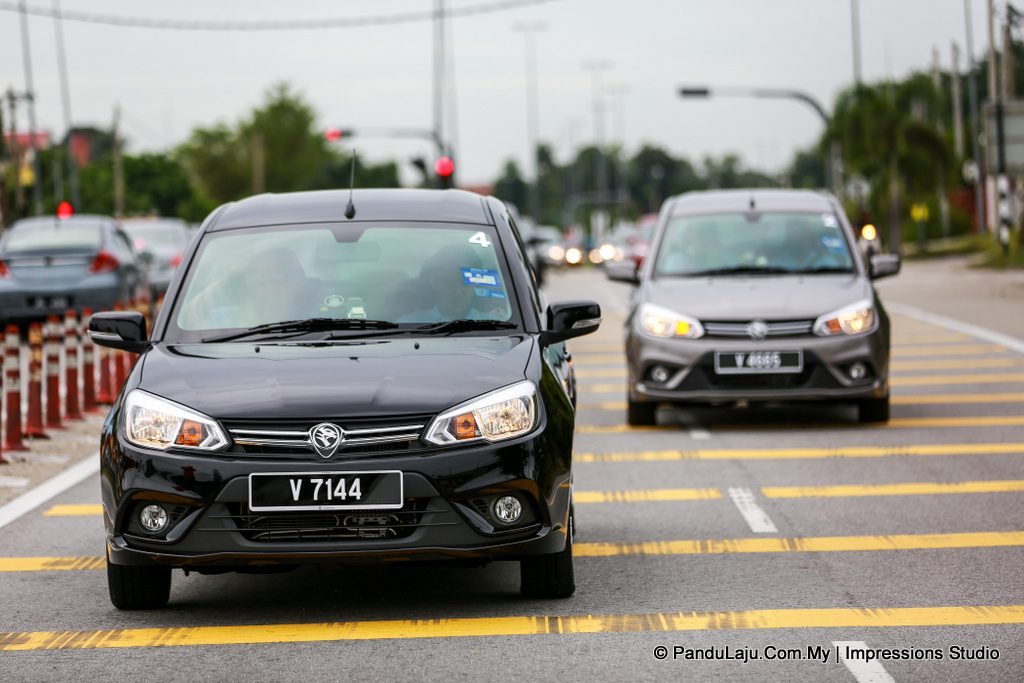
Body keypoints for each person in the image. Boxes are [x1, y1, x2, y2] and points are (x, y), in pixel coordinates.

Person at [398, 244, 509, 323]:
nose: (458, 292)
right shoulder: (409, 324)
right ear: (435, 283)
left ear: (475, 285)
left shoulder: (497, 324)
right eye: (450, 283)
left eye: (465, 283)